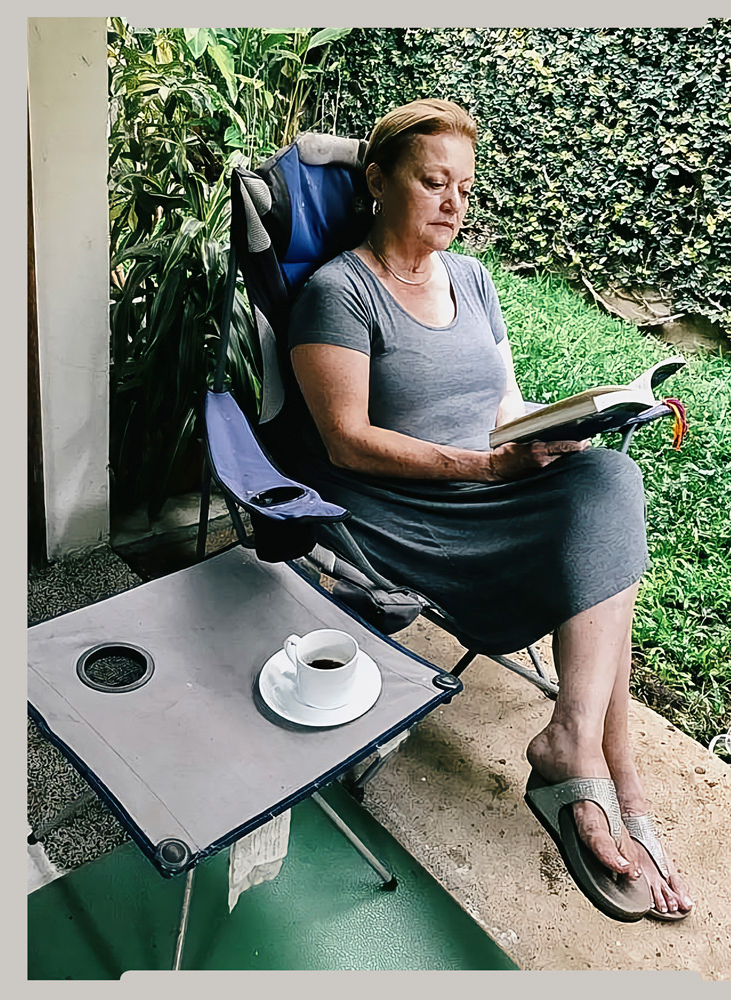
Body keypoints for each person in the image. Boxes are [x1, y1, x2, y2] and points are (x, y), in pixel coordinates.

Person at [286, 98, 694, 921]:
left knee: (609, 481)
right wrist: (484, 463)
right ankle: (617, 785)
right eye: (432, 181)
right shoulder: (340, 291)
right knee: (605, 570)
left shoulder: (472, 278)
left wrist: (554, 432)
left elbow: (503, 402)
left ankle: (571, 748)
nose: (452, 202)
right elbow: (345, 441)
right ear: (377, 180)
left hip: (494, 485)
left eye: (464, 187)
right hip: (402, 516)